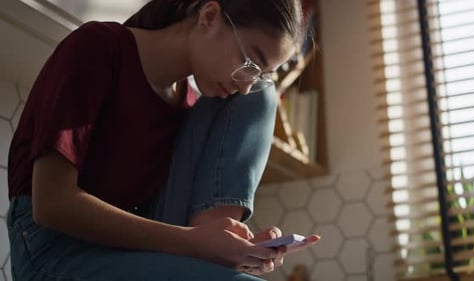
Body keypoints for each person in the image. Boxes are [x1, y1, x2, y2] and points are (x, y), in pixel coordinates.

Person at [7, 0, 320, 280]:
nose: (244, 85)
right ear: (209, 17)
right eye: (249, 63)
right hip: (55, 249)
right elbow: (51, 205)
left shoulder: (189, 107)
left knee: (261, 97)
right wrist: (193, 242)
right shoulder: (98, 47)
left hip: (135, 247)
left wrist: (235, 248)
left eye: (259, 73)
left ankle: (220, 248)